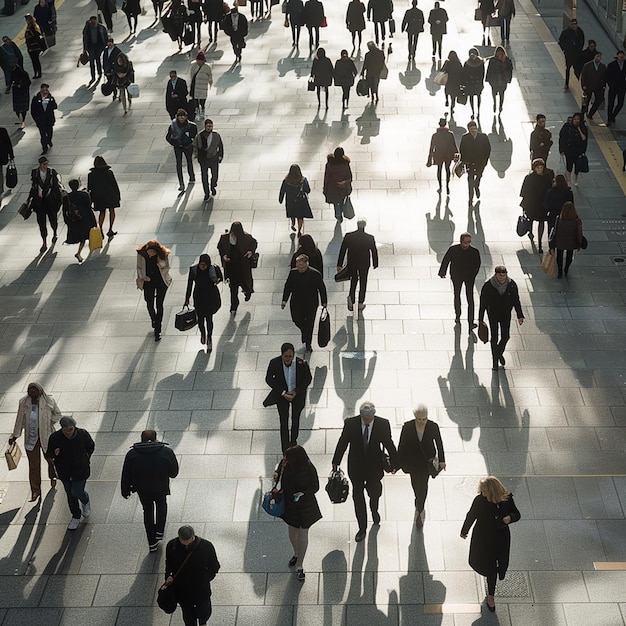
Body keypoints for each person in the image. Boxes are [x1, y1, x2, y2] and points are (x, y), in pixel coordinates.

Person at [331, 401, 398, 542]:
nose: (368, 421)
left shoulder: (382, 424)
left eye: (370, 418)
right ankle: (362, 528)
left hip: (374, 467)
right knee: (358, 497)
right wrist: (336, 461)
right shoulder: (351, 423)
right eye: (365, 418)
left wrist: (396, 464)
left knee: (374, 493)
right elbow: (343, 442)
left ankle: (374, 510)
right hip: (356, 467)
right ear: (361, 415)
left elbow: (389, 443)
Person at [460, 476, 521, 612]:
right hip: (483, 538)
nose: (482, 493)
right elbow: (471, 515)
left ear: (492, 491)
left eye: (484, 490)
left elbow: (517, 514)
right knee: (486, 565)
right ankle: (491, 588)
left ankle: (491, 593)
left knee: (496, 565)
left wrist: (510, 518)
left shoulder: (506, 499)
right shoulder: (480, 501)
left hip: (501, 538)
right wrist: (464, 530)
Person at [121, 429, 180, 552]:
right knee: (161, 506)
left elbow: (126, 474)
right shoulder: (166, 452)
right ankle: (159, 531)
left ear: (141, 439)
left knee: (147, 511)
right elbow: (173, 473)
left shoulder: (132, 454)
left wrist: (125, 490)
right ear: (155, 439)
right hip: (161, 487)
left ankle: (152, 542)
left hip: (143, 490)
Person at [277, 445, 322, 582]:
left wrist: (302, 493)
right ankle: (296, 553)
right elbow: (279, 476)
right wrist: (278, 473)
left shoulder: (308, 467)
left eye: (287, 458)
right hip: (290, 505)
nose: (284, 460)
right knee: (292, 531)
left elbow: (315, 487)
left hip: (305, 505)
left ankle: (299, 564)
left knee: (303, 533)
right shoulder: (285, 464)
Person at [10, 382, 61, 502]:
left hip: (46, 437)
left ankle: (52, 476)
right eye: (30, 391)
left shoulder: (49, 402)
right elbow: (19, 420)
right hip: (31, 439)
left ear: (40, 391)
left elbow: (58, 414)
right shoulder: (23, 402)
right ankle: (35, 491)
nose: (32, 393)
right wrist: (15, 435)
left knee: (50, 459)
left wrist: (49, 422)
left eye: (35, 390)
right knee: (34, 466)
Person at [398, 404, 445, 527]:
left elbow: (439, 444)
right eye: (419, 419)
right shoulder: (407, 427)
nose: (421, 421)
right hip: (413, 462)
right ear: (415, 417)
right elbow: (401, 445)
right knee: (414, 484)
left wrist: (442, 460)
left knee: (423, 485)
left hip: (426, 463)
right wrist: (398, 463)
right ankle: (418, 500)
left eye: (424, 419)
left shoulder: (433, 426)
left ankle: (420, 508)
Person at [165, 525, 220, 626]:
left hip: (201, 587)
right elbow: (169, 563)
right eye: (183, 540)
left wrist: (205, 579)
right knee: (187, 613)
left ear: (193, 536)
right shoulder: (172, 546)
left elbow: (215, 566)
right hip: (182, 588)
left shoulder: (206, 546)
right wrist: (168, 576)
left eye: (188, 540)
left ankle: (203, 622)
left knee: (204, 609)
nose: (186, 542)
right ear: (179, 537)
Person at [46, 416, 95, 530]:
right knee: (70, 494)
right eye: (66, 430)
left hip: (80, 470)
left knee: (77, 491)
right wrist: (55, 453)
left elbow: (90, 446)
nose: (69, 432)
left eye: (71, 429)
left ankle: (85, 500)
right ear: (62, 428)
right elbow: (49, 453)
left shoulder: (82, 434)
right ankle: (76, 516)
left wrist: (86, 458)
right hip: (65, 472)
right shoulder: (55, 438)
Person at [264, 343, 313, 451]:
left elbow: (308, 378)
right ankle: (285, 448)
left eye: (290, 356)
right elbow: (268, 379)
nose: (288, 359)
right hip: (282, 396)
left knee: (295, 419)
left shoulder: (301, 363)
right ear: (281, 355)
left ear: (294, 355)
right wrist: (282, 393)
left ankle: (293, 441)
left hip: (297, 395)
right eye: (286, 356)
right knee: (284, 420)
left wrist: (296, 392)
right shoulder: (274, 363)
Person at [478, 266, 524, 371]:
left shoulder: (512, 285)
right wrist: (480, 319)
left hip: (505, 314)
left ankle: (498, 354)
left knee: (506, 336)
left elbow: (516, 300)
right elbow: (483, 303)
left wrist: (520, 315)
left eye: (504, 275)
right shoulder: (488, 286)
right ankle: (495, 362)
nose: (502, 277)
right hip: (493, 314)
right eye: (500, 275)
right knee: (494, 338)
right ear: (495, 274)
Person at [281, 254, 327, 352]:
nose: (300, 267)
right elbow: (287, 287)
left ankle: (308, 344)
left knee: (310, 324)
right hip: (296, 303)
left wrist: (324, 302)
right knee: (296, 320)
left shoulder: (315, 274)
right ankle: (304, 332)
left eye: (302, 265)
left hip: (311, 304)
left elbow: (322, 288)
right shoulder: (293, 273)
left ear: (307, 264)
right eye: (298, 265)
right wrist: (284, 300)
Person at [438, 232, 481, 328]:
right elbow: (446, 260)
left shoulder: (474, 252)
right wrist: (442, 272)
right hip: (457, 276)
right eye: (466, 242)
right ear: (461, 241)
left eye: (469, 242)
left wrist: (473, 275)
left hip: (469, 277)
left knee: (470, 298)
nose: (468, 244)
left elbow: (477, 265)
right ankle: (458, 315)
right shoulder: (453, 249)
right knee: (457, 294)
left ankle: (470, 321)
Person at [337, 217, 378, 312]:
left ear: (357, 224)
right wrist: (375, 263)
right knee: (363, 281)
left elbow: (343, 250)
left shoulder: (349, 236)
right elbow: (374, 251)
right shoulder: (369, 238)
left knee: (353, 280)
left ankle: (351, 299)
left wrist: (339, 264)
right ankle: (360, 302)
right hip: (364, 263)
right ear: (365, 225)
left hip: (352, 262)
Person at [136, 239, 173, 341]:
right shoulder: (141, 254)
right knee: (149, 303)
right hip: (148, 281)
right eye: (149, 251)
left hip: (160, 280)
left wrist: (158, 260)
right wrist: (143, 277)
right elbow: (139, 267)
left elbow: (166, 267)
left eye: (153, 251)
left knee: (159, 304)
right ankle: (154, 319)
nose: (150, 253)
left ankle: (158, 329)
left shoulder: (163, 254)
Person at [217, 221, 257, 313]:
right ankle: (234, 305)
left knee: (244, 282)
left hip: (242, 265)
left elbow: (253, 243)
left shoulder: (246, 237)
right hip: (231, 266)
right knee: (233, 287)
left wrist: (250, 251)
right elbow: (220, 247)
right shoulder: (225, 237)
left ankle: (247, 291)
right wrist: (224, 256)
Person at [184, 253, 222, 348]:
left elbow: (220, 277)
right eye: (201, 264)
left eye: (204, 265)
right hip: (199, 297)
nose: (202, 267)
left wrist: (217, 280)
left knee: (209, 319)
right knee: (200, 319)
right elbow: (189, 284)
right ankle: (203, 334)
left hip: (210, 297)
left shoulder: (213, 269)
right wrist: (187, 298)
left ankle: (209, 337)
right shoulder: (194, 270)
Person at [519, 158, 553, 253]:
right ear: (534, 168)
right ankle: (530, 232)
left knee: (541, 222)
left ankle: (540, 243)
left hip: (542, 204)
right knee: (531, 220)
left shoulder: (546, 177)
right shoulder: (529, 177)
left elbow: (549, 189)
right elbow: (524, 191)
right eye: (538, 167)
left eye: (541, 167)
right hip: (532, 204)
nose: (539, 169)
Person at [29, 155, 62, 252]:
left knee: (53, 219)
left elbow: (55, 184)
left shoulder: (52, 172)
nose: (46, 166)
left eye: (47, 164)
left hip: (50, 200)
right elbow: (34, 184)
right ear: (40, 164)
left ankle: (55, 232)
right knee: (41, 223)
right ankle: (44, 242)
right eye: (44, 164)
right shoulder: (35, 172)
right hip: (39, 202)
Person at [87, 155, 121, 240]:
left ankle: (100, 229)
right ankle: (110, 229)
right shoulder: (109, 172)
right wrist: (118, 195)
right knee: (112, 211)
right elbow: (114, 184)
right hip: (110, 194)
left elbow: (89, 187)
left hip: (98, 196)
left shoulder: (91, 175)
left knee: (102, 212)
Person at [64, 178, 97, 264]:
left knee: (81, 237)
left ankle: (80, 253)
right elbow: (88, 206)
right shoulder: (84, 195)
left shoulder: (67, 197)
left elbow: (65, 209)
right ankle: (80, 252)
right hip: (85, 218)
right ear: (78, 185)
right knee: (86, 235)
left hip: (74, 220)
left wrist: (67, 220)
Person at [459, 121, 491, 205]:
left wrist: (485, 160)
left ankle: (476, 186)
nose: (473, 130)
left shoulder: (483, 137)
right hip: (469, 163)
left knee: (479, 176)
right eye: (471, 129)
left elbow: (488, 149)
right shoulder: (465, 137)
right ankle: (470, 198)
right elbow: (462, 150)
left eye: (474, 128)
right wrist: (463, 162)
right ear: (468, 130)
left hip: (481, 162)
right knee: (470, 179)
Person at [166, 109, 197, 192]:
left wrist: (191, 144)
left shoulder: (191, 126)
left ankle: (192, 176)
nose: (182, 117)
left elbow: (194, 137)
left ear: (186, 116)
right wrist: (174, 143)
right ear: (177, 117)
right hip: (178, 147)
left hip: (188, 147)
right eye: (180, 115)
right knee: (178, 164)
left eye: (183, 115)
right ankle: (181, 183)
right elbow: (168, 137)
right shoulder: (172, 126)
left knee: (189, 161)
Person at [550, 201, 583, 279]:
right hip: (571, 242)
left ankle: (560, 272)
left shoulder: (558, 219)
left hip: (560, 241)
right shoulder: (576, 221)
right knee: (569, 256)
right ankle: (566, 269)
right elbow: (579, 233)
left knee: (559, 256)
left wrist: (552, 242)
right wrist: (579, 243)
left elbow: (555, 230)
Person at [193, 118, 224, 201]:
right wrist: (197, 156)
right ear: (205, 126)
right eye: (208, 126)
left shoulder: (216, 135)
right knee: (204, 177)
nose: (209, 128)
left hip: (214, 158)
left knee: (215, 175)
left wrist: (220, 156)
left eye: (211, 126)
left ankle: (213, 185)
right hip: (204, 159)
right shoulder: (199, 136)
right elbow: (195, 147)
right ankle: (206, 193)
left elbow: (220, 146)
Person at [279, 164, 312, 237]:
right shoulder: (303, 180)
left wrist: (280, 199)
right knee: (300, 216)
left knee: (292, 213)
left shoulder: (286, 181)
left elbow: (282, 191)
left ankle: (293, 223)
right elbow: (308, 190)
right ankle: (299, 230)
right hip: (300, 202)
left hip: (290, 201)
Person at [427, 117, 458, 194]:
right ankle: (447, 186)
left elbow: (431, 147)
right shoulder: (450, 134)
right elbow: (454, 145)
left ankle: (440, 187)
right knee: (447, 169)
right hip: (448, 155)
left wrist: (429, 158)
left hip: (438, 155)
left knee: (439, 170)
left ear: (439, 124)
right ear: (445, 124)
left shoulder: (435, 135)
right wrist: (457, 155)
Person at [323, 146, 353, 222]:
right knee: (342, 200)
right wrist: (344, 182)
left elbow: (326, 177)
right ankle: (342, 211)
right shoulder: (346, 164)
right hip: (343, 188)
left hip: (333, 187)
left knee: (336, 202)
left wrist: (325, 188)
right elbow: (350, 176)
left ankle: (338, 215)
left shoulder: (329, 164)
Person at [558, 112, 587, 185]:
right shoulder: (567, 126)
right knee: (569, 165)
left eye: (578, 119)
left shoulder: (583, 128)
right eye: (575, 119)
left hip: (578, 152)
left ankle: (575, 179)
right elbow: (562, 138)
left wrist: (579, 129)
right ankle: (568, 180)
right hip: (569, 151)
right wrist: (561, 149)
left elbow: (584, 139)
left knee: (577, 166)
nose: (576, 121)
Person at [30, 82, 57, 155]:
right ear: (41, 89)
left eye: (47, 89)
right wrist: (36, 119)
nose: (46, 91)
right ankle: (44, 148)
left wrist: (51, 101)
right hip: (41, 121)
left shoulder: (50, 98)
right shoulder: (36, 98)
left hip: (49, 120)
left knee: (49, 133)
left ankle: (49, 140)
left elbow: (55, 107)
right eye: (44, 89)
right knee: (43, 135)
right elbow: (33, 110)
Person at [558, 18, 585, 90]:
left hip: (577, 53)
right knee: (568, 68)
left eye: (575, 24)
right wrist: (565, 49)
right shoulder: (566, 32)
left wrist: (579, 49)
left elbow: (582, 41)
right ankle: (567, 83)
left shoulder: (579, 32)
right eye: (572, 24)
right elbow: (561, 41)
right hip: (569, 53)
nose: (574, 26)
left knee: (577, 68)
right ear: (570, 24)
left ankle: (578, 82)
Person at [485, 45, 513, 114]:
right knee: (494, 93)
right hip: (494, 80)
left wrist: (509, 79)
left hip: (503, 80)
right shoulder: (492, 60)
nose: (500, 55)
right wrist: (488, 79)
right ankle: (495, 103)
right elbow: (489, 69)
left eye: (501, 53)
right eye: (498, 53)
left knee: (502, 94)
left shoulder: (507, 61)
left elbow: (510, 70)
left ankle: (500, 105)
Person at [580, 50, 606, 120]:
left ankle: (591, 113)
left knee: (599, 100)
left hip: (598, 87)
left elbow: (604, 77)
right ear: (594, 57)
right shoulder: (587, 65)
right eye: (597, 56)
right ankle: (582, 115)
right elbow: (583, 76)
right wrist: (583, 86)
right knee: (586, 101)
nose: (598, 58)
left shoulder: (603, 66)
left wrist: (603, 86)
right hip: (588, 86)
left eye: (600, 57)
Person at [82, 15, 108, 82]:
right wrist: (85, 48)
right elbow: (84, 38)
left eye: (95, 21)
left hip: (99, 47)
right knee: (92, 62)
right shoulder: (87, 28)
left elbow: (105, 36)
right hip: (91, 47)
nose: (94, 23)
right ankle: (93, 76)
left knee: (98, 60)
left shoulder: (101, 27)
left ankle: (99, 73)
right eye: (92, 21)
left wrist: (105, 45)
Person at [462, 48, 485, 120]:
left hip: (477, 83)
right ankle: (473, 111)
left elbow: (482, 74)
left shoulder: (480, 62)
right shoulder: (467, 63)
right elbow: (464, 74)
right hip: (470, 83)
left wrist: (481, 83)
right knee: (471, 97)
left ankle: (478, 110)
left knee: (478, 96)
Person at [605, 50, 626, 126]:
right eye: (620, 56)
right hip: (613, 87)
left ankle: (612, 116)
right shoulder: (611, 65)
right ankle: (609, 119)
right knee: (611, 103)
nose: (621, 58)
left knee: (620, 104)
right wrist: (610, 84)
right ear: (617, 56)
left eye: (622, 57)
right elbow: (607, 76)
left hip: (622, 87)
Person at [189, 51, 212, 116]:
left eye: (200, 60)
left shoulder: (207, 67)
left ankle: (202, 110)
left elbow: (210, 75)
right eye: (198, 60)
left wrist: (210, 81)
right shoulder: (193, 66)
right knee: (195, 100)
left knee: (202, 100)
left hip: (203, 86)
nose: (198, 62)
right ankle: (197, 112)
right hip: (195, 85)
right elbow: (191, 75)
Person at [24, 14, 44, 80]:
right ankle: (37, 73)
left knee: (35, 61)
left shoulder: (31, 28)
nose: (26, 21)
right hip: (33, 47)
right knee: (35, 61)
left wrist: (30, 46)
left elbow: (33, 37)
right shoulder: (33, 26)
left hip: (33, 48)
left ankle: (37, 73)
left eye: (27, 19)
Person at [11, 65, 31, 130]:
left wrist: (20, 84)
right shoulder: (20, 73)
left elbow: (28, 82)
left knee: (20, 108)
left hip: (20, 94)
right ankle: (21, 121)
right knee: (20, 108)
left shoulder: (21, 74)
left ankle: (22, 121)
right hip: (20, 94)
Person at [0, 125, 14, 193]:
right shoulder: (2, 131)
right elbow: (8, 144)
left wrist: (11, 155)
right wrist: (11, 155)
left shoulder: (2, 131)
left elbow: (8, 144)